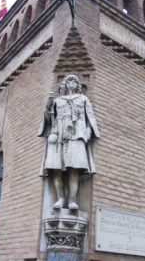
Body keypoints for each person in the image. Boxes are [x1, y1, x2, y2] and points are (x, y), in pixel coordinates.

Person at [38, 75, 100, 210]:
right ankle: (60, 198)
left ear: (77, 85)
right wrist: (48, 107)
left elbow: (89, 118)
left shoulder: (83, 99)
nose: (72, 83)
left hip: (76, 135)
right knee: (56, 169)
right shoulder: (57, 100)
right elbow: (49, 120)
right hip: (57, 136)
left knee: (74, 168)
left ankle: (72, 200)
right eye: (69, 81)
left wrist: (88, 133)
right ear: (65, 84)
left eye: (75, 81)